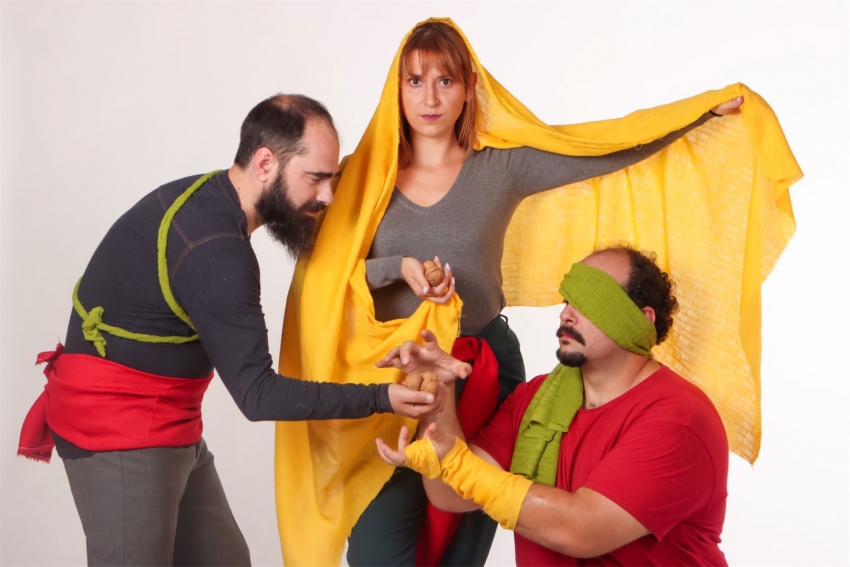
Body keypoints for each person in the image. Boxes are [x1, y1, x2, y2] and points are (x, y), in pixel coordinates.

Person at [274, 18, 798, 567]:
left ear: (469, 88)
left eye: (445, 81)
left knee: (466, 525)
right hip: (389, 370)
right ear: (396, 90)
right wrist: (396, 269)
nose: (429, 98)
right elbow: (323, 277)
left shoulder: (502, 167)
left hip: (480, 368)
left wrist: (696, 115)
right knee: (377, 547)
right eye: (415, 81)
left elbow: (597, 148)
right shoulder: (359, 177)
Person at [17, 94, 447, 566]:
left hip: (171, 421)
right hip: (117, 431)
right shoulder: (215, 247)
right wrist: (381, 397)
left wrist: (391, 269)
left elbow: (325, 281)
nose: (327, 196)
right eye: (316, 178)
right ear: (265, 163)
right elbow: (257, 396)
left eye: (331, 179)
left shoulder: (212, 196)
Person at [376, 246, 729, 566]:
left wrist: (457, 464)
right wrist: (438, 391)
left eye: (588, 302)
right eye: (567, 300)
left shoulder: (679, 417)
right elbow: (451, 494)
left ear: (642, 318)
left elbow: (581, 530)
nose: (566, 315)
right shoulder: (536, 399)